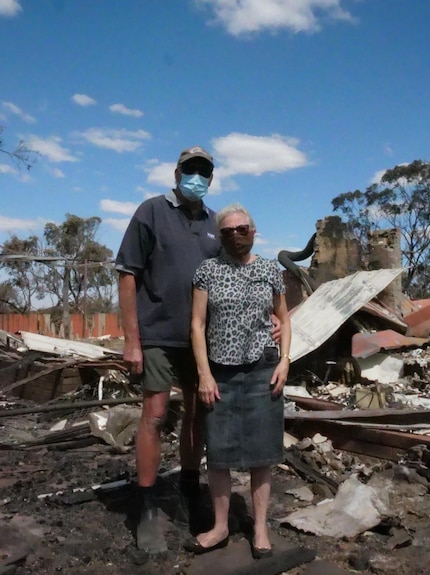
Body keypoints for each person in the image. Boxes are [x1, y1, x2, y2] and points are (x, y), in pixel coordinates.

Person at [116, 146, 220, 554]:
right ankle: (146, 507)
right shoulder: (151, 211)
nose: (197, 176)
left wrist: (272, 313)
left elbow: (232, 277)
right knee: (155, 416)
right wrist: (131, 339)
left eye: (204, 171)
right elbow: (128, 276)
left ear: (210, 178)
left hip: (201, 339)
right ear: (177, 172)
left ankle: (191, 491)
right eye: (190, 169)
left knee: (197, 416)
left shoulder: (215, 223)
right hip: (157, 334)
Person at [186, 203, 292, 559]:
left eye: (241, 229)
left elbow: (284, 319)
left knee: (263, 454)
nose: (235, 236)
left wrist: (285, 361)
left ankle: (260, 528)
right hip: (221, 374)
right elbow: (197, 325)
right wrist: (203, 373)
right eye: (227, 231)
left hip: (263, 369)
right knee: (219, 454)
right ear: (220, 236)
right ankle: (220, 526)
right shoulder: (207, 272)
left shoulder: (269, 270)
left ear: (253, 230)